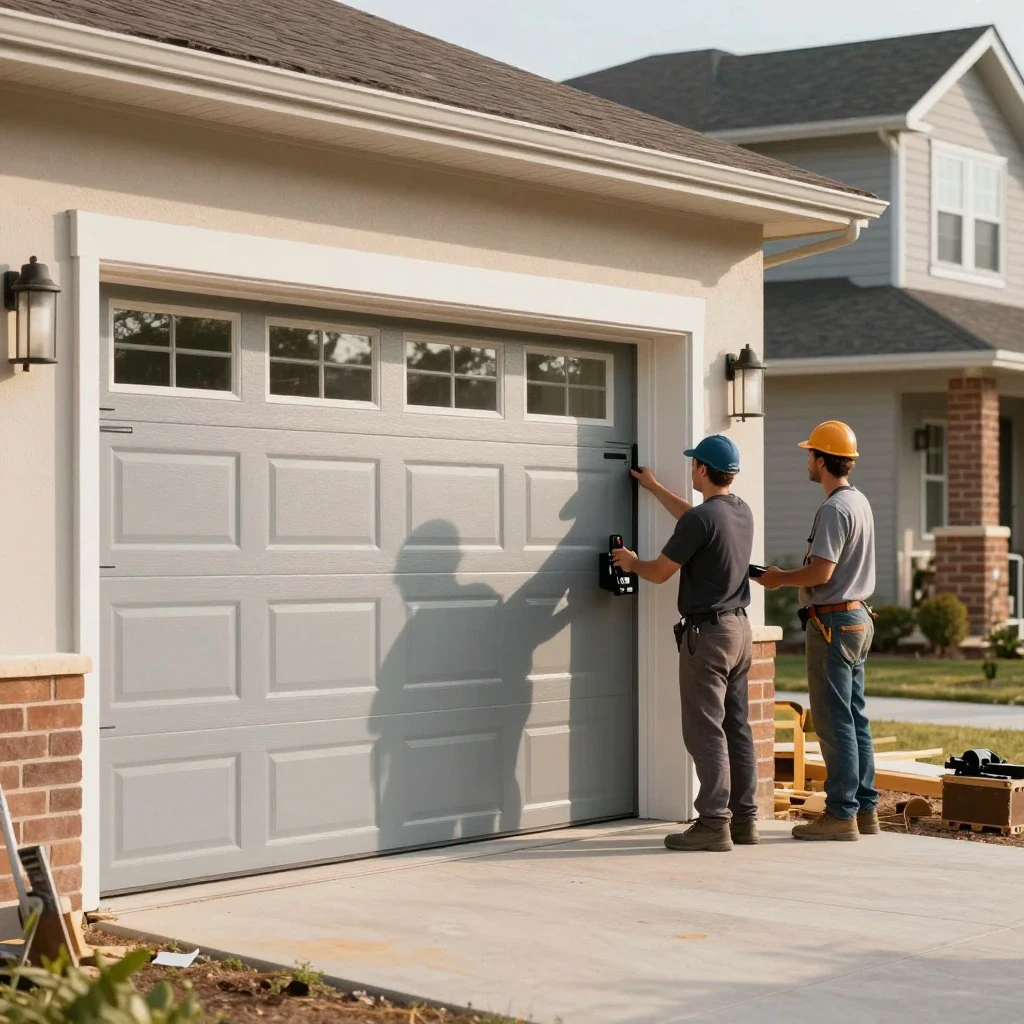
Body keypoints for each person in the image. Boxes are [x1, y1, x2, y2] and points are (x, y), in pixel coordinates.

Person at [612, 435, 757, 853]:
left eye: (694, 463)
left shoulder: (702, 521)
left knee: (704, 729)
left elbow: (659, 572)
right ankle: (743, 820)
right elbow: (695, 521)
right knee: (736, 727)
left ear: (703, 470)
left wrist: (631, 563)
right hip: (740, 632)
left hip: (708, 636)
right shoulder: (739, 512)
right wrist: (655, 489)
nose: (691, 468)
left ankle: (713, 822)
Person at [756, 420, 878, 842]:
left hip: (832, 622)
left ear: (822, 460)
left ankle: (841, 814)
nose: (807, 461)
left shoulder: (833, 509)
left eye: (810, 454)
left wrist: (778, 578)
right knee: (855, 716)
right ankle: (865, 810)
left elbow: (822, 571)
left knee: (832, 720)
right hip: (857, 617)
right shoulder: (858, 501)